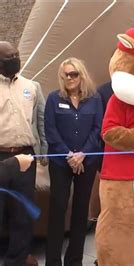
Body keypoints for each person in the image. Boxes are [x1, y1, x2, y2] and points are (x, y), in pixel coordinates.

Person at [44, 57, 103, 266]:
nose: (70, 78)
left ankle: (74, 260)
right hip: (61, 162)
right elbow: (50, 131)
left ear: (81, 75)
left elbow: (98, 130)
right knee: (58, 209)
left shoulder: (95, 100)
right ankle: (52, 260)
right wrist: (69, 155)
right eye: (66, 74)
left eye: (74, 74)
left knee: (80, 210)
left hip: (87, 162)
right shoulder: (53, 99)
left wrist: (82, 154)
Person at [0, 40, 47, 266]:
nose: (14, 60)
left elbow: (41, 123)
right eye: (8, 58)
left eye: (15, 55)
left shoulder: (32, 86)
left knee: (23, 211)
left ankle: (17, 259)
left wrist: (43, 153)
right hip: (1, 157)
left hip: (26, 157)